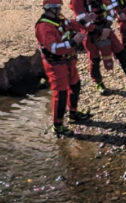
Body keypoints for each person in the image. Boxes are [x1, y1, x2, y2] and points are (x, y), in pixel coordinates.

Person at [36, 0, 93, 137]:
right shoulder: (44, 27)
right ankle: (58, 125)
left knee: (75, 84)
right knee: (60, 93)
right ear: (50, 9)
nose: (60, 9)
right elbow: (54, 48)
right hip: (56, 64)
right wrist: (74, 42)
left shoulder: (59, 18)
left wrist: (84, 20)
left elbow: (70, 25)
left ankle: (73, 114)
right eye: (58, 7)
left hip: (68, 60)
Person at [70, 0, 126, 96]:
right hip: (89, 33)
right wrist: (101, 30)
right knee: (94, 59)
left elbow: (110, 10)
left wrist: (107, 27)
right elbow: (81, 20)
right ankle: (99, 83)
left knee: (121, 52)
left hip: (104, 27)